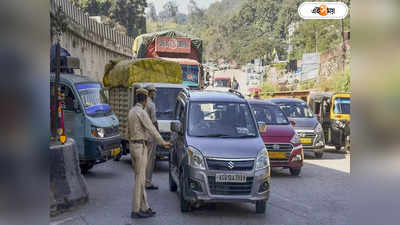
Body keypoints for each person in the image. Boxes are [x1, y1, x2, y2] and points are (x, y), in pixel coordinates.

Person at [128, 88, 170, 219]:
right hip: (140, 147)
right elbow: (151, 128)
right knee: (139, 180)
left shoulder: (131, 111)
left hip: (133, 146)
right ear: (145, 100)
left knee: (140, 179)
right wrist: (163, 142)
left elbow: (127, 132)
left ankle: (145, 207)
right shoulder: (141, 112)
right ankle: (135, 210)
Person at [144, 85, 158, 190]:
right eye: (154, 92)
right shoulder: (151, 105)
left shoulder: (141, 104)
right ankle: (147, 182)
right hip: (150, 135)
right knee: (150, 160)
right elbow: (154, 121)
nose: (155, 94)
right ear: (149, 93)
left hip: (142, 135)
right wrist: (157, 132)